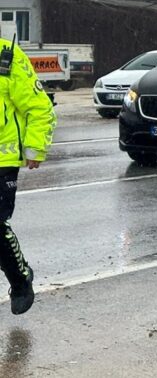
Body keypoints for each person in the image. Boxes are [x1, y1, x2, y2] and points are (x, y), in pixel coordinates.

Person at [0, 36, 56, 315]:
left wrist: (34, 147)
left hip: (2, 159)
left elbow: (39, 107)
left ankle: (20, 281)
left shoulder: (6, 57)